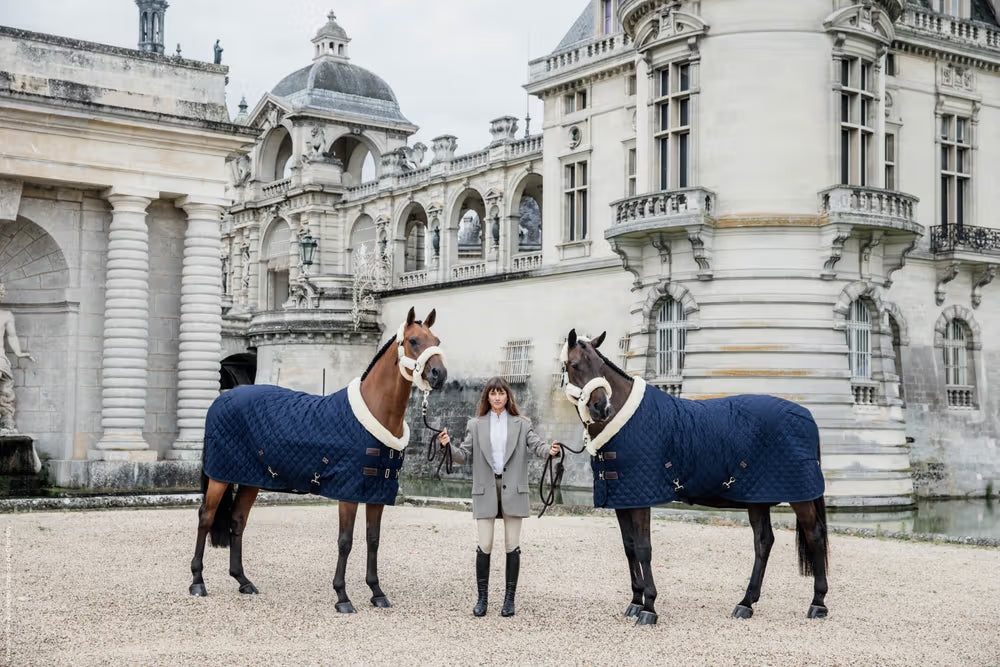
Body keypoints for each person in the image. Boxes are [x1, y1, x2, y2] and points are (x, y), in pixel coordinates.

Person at [438, 377, 560, 617]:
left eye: (501, 393)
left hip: (514, 489)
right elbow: (462, 455)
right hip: (485, 489)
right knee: (484, 545)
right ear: (487, 397)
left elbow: (538, 446)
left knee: (511, 546)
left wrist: (551, 451)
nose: (497, 397)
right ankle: (482, 599)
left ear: (508, 396)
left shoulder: (522, 424)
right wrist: (447, 445)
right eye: (492, 393)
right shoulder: (475, 424)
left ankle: (508, 600)